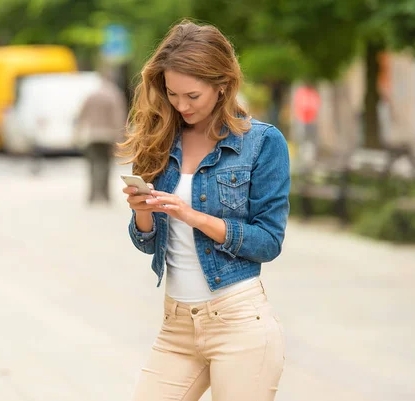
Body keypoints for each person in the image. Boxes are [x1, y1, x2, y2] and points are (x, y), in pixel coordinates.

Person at [117, 20, 290, 401]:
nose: (181, 105)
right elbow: (147, 243)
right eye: (172, 93)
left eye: (192, 96)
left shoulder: (261, 143)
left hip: (239, 323)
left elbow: (269, 242)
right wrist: (144, 212)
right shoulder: (162, 137)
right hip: (176, 324)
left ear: (222, 84)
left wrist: (192, 215)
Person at [75, 71, 128, 204]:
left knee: (93, 166)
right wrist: (121, 138)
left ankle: (93, 195)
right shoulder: (114, 95)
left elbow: (81, 114)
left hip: (92, 135)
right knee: (105, 166)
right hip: (108, 136)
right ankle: (104, 195)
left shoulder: (92, 95)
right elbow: (118, 118)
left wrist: (78, 132)